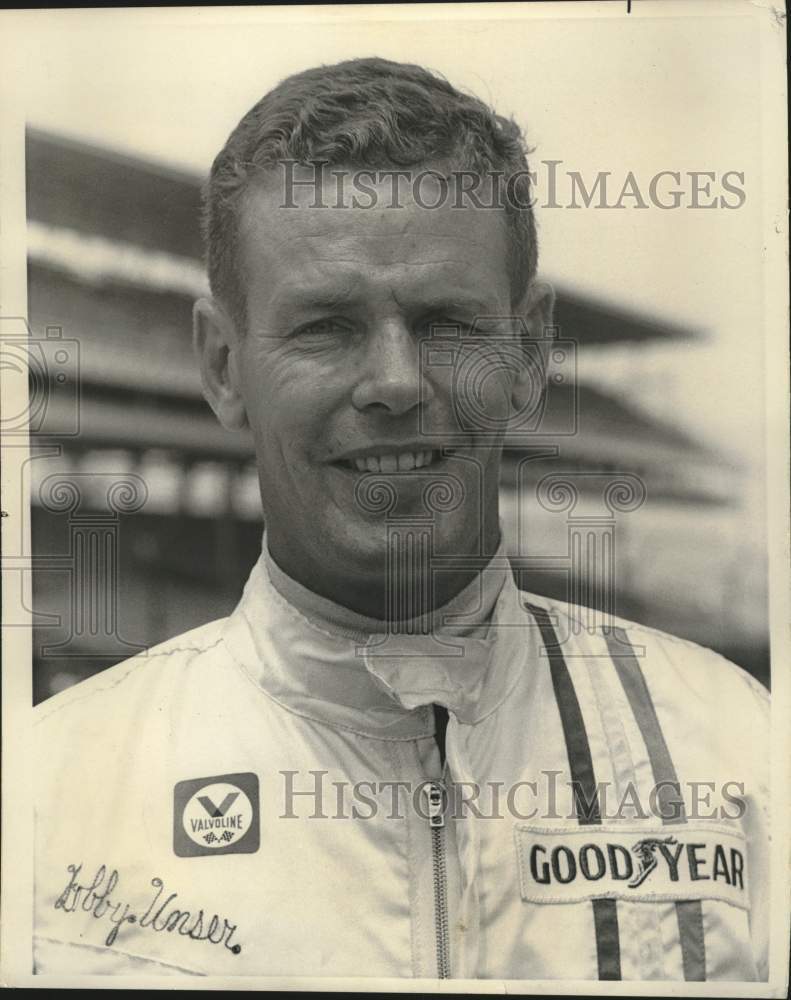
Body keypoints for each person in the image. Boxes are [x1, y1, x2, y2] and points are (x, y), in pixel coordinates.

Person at [33, 57, 769, 981]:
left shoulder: (742, 753)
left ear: (529, 354)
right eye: (325, 326)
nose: (392, 383)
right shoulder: (44, 787)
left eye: (447, 324)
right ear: (222, 367)